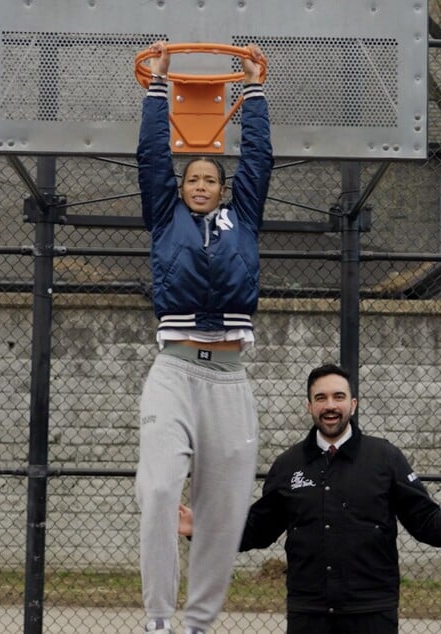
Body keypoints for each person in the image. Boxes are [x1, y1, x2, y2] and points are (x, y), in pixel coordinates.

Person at [178, 364, 441, 634]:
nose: (330, 406)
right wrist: (202, 527)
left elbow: (426, 522)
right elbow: (255, 529)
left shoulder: (385, 458)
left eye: (338, 397)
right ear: (309, 406)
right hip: (308, 611)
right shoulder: (289, 465)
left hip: (371, 610)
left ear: (352, 404)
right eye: (321, 398)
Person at [134, 40, 273, 634]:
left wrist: (254, 91)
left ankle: (199, 624)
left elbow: (260, 159)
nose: (199, 184)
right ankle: (159, 620)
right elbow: (149, 158)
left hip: (229, 377)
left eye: (210, 178)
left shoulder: (243, 218)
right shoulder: (165, 218)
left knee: (223, 514)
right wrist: (158, 89)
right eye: (191, 177)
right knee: (161, 490)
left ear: (222, 189)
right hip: (174, 370)